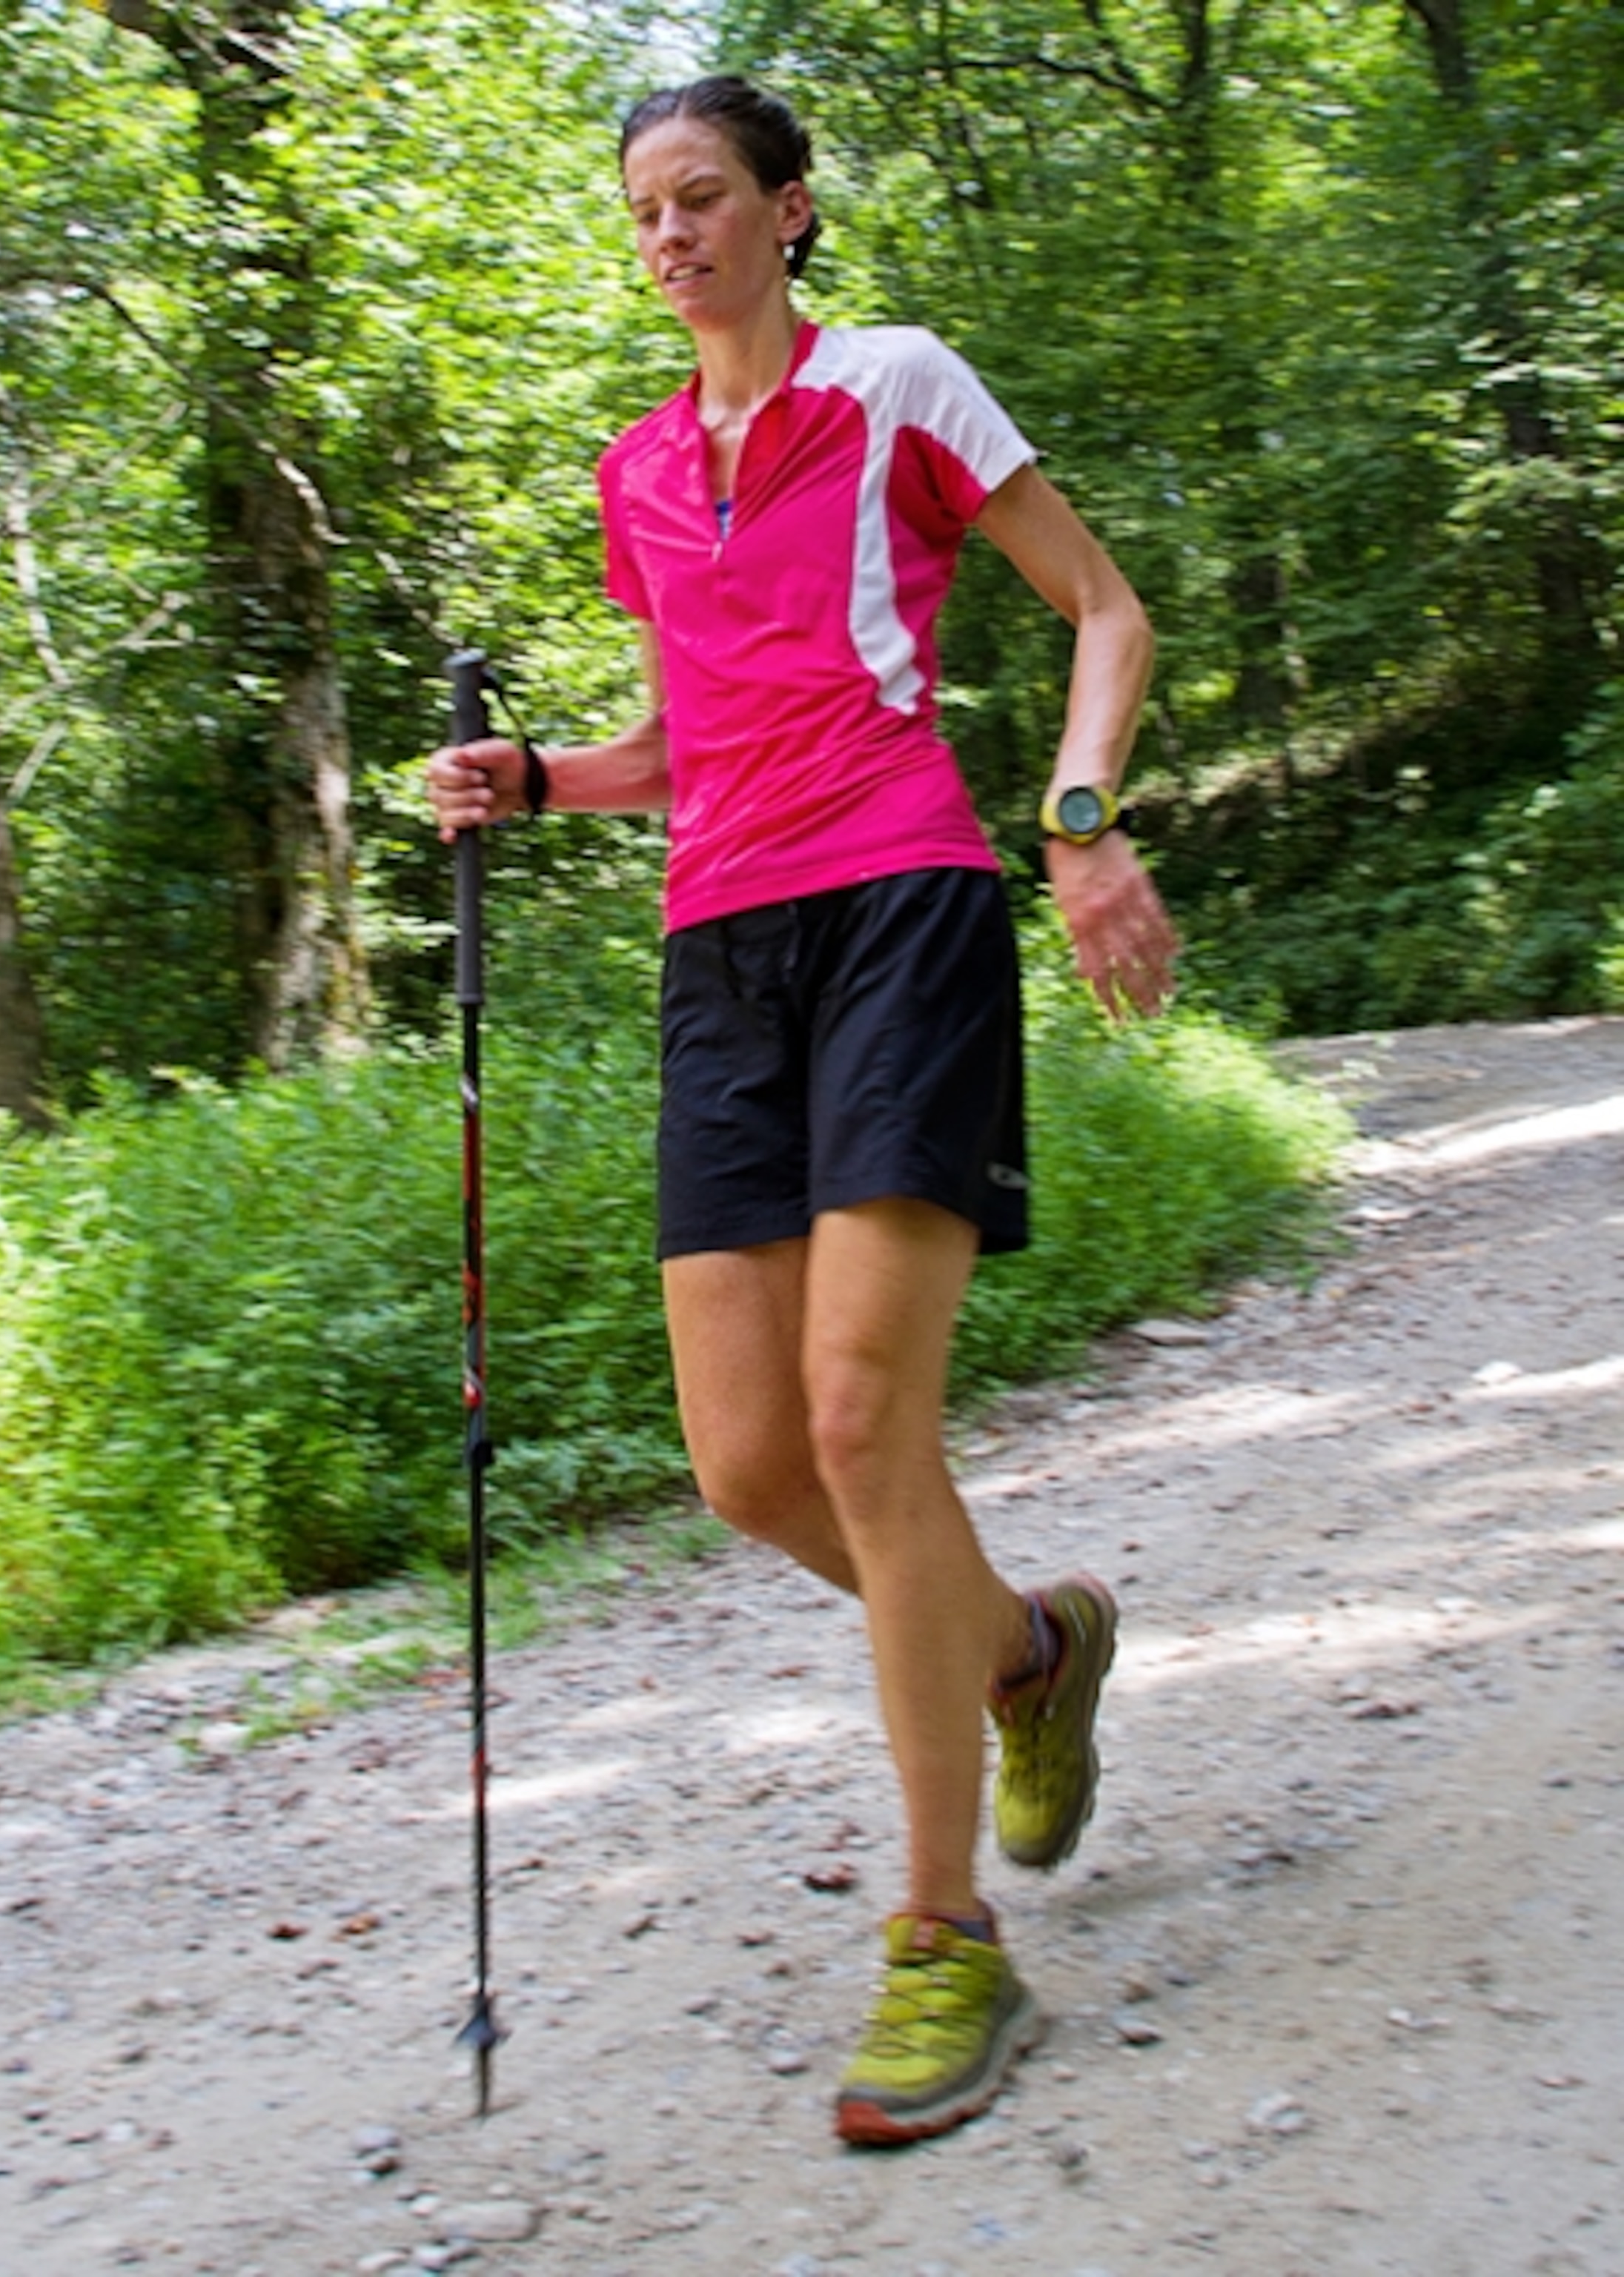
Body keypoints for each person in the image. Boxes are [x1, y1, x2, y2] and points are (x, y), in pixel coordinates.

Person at [428, 73, 1179, 2147]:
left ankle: (946, 1943)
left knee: (866, 1427)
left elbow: (1102, 609)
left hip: (904, 910)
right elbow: (689, 739)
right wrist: (541, 782)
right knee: (751, 1465)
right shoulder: (637, 472)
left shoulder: (901, 387)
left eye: (705, 198)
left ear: (788, 212)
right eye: (645, 210)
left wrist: (1085, 822)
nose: (671, 234)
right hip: (720, 956)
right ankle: (1024, 1651)